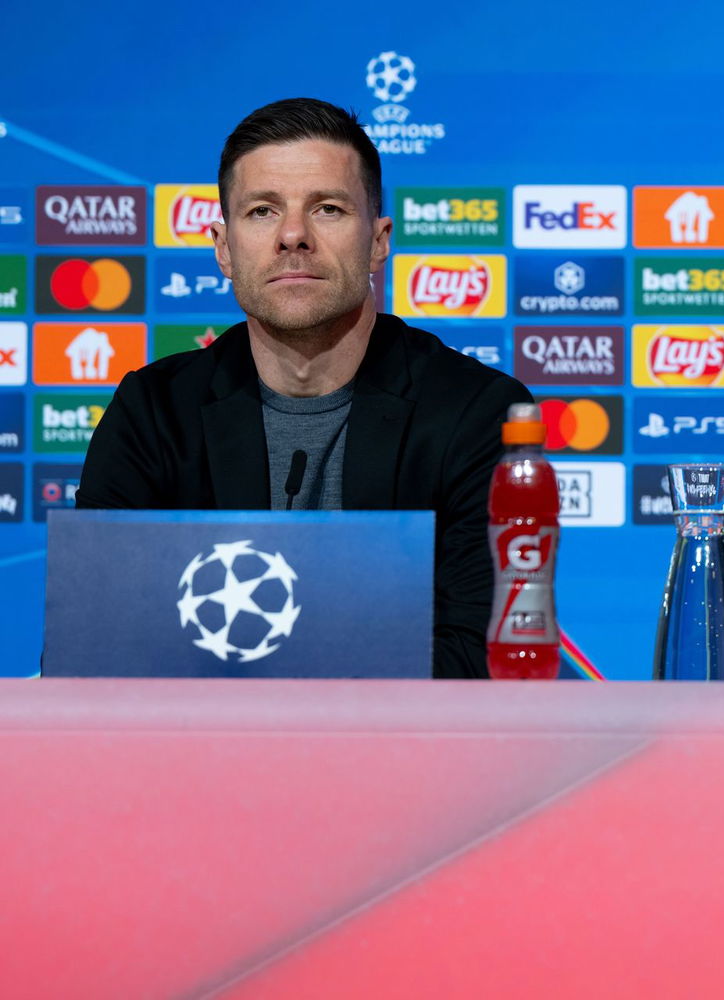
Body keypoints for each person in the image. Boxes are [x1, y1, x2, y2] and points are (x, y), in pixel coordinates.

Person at [76, 98, 533, 679]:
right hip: (203, 741)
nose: (293, 235)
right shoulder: (153, 412)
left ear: (378, 241)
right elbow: (94, 650)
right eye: (262, 211)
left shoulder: (478, 413)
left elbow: (484, 660)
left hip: (394, 742)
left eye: (328, 209)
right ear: (223, 248)